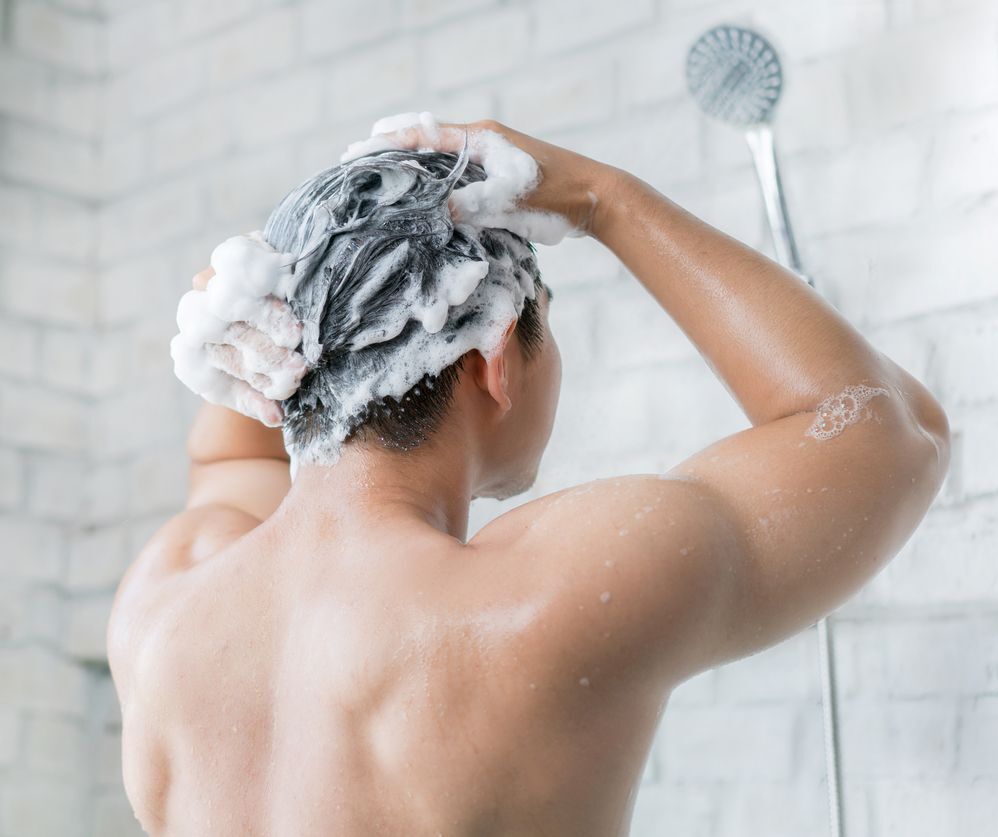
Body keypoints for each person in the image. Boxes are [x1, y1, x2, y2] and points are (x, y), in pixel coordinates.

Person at [106, 119, 951, 836]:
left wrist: (266, 297)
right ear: (496, 356)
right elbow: (889, 431)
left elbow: (227, 461)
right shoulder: (537, 605)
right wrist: (598, 198)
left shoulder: (167, 606)